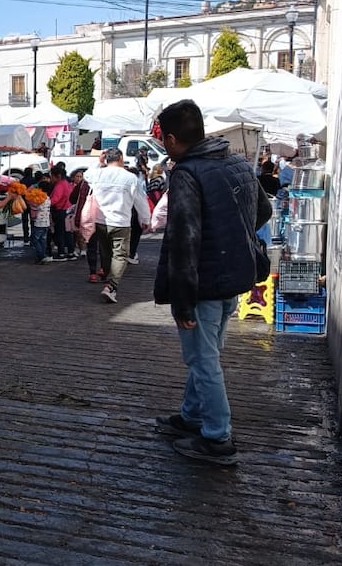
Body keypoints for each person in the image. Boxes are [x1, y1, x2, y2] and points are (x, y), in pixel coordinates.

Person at [152, 100, 272, 466]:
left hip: (204, 282)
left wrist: (182, 300)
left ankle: (218, 438)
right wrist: (232, 237)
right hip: (234, 276)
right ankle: (191, 416)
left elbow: (185, 239)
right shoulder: (235, 162)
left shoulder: (188, 173)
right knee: (207, 356)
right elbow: (263, 211)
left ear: (172, 139)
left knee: (204, 361)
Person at [83, 150, 150, 303]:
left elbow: (87, 174)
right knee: (120, 255)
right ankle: (111, 286)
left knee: (105, 252)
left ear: (106, 159)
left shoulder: (98, 174)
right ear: (121, 158)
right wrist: (145, 219)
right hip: (121, 222)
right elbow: (140, 200)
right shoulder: (130, 177)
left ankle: (107, 274)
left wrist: (98, 162)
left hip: (101, 221)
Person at [48, 167, 74, 261]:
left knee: (60, 232)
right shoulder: (67, 184)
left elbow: (55, 199)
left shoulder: (59, 185)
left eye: (52, 176)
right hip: (68, 210)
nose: (51, 178)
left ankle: (61, 253)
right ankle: (71, 252)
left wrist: (46, 202)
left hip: (61, 211)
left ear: (58, 176)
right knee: (68, 232)